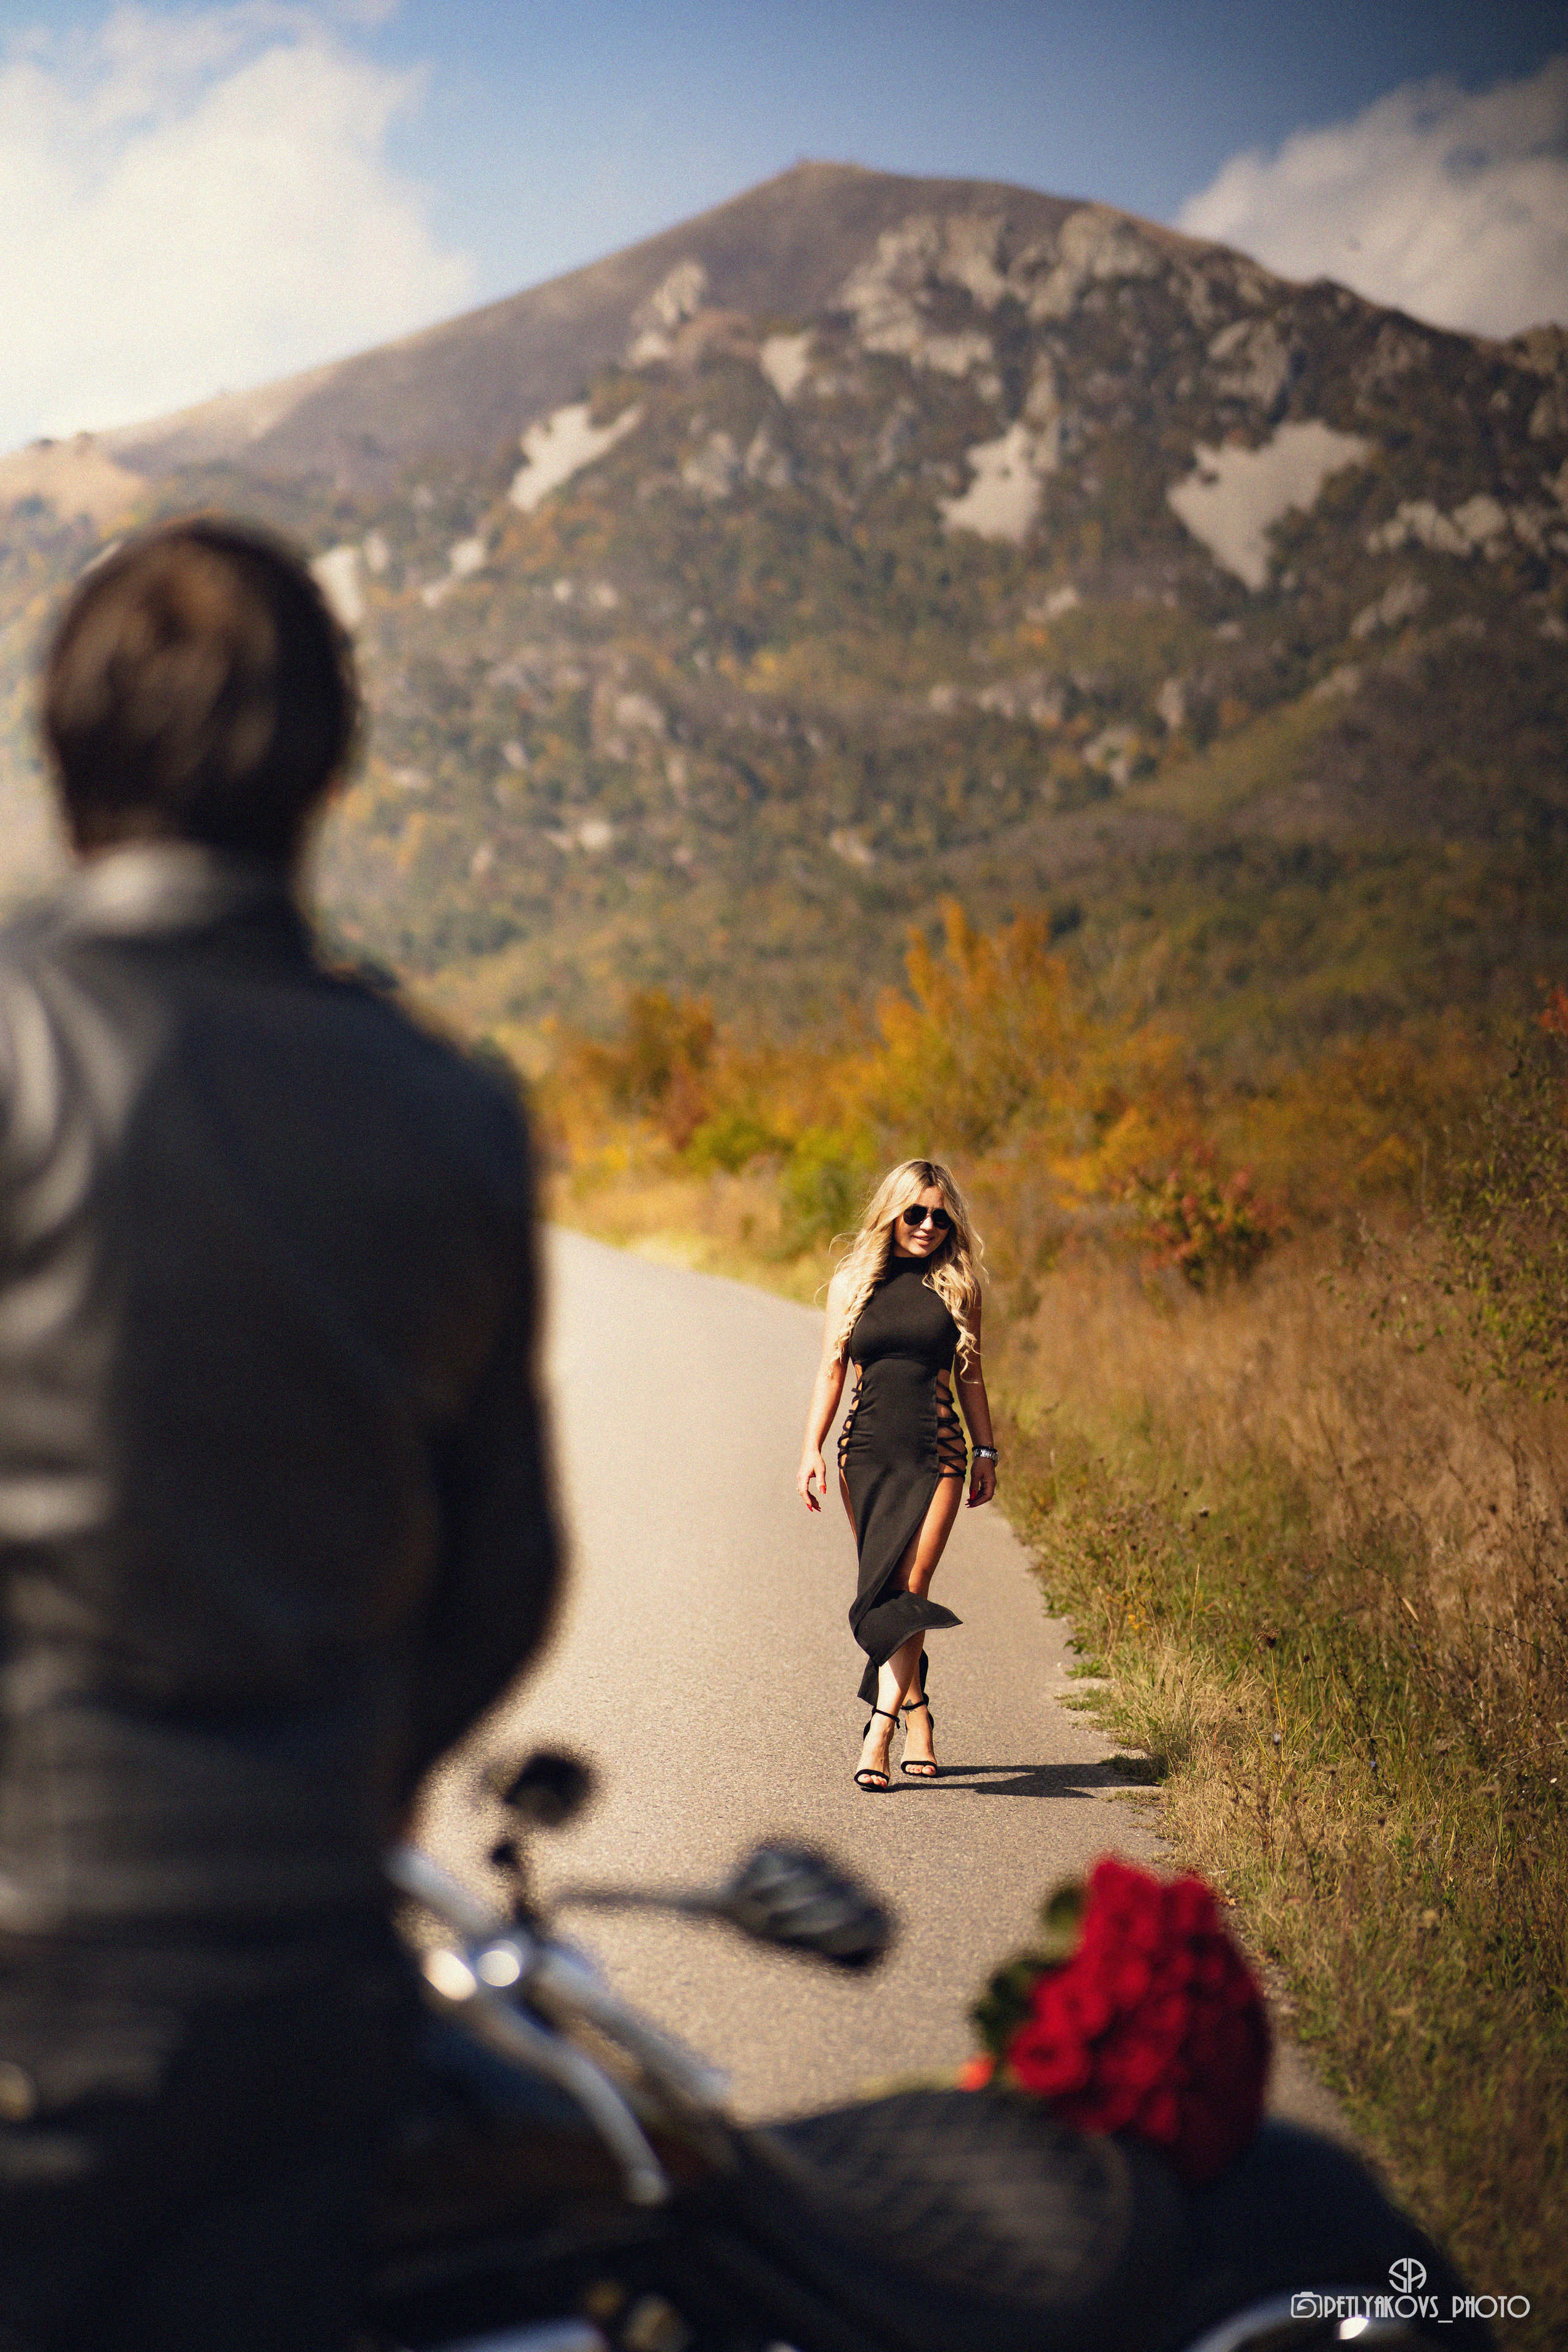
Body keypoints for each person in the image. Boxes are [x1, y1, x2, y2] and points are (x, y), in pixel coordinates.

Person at [0, 520, 561, 2350]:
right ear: (328, 773)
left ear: (60, 748)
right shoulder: (452, 1109)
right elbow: (505, 1570)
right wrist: (338, 1777)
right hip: (308, 1991)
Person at [797, 1159, 996, 1790]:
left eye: (941, 1216)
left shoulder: (958, 1286)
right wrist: (810, 1450)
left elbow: (971, 1376)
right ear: (891, 1212)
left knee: (913, 1582)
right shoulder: (853, 1282)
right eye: (916, 1213)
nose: (929, 1226)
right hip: (866, 1451)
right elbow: (831, 1373)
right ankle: (919, 1713)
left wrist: (986, 1451)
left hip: (937, 1449)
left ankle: (878, 1731)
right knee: (883, 1592)